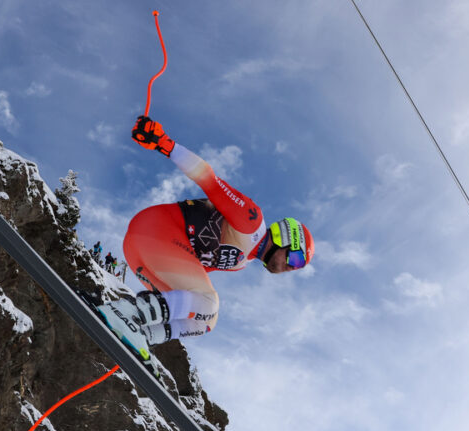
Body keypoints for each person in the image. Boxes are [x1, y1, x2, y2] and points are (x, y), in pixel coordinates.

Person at [96, 116, 315, 365]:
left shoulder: (239, 262)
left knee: (206, 321)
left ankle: (143, 336)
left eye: (297, 267)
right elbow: (209, 180)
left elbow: (188, 277)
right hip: (157, 230)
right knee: (208, 302)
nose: (291, 268)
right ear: (285, 237)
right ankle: (125, 313)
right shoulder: (251, 222)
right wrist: (165, 144)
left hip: (142, 253)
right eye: (295, 258)